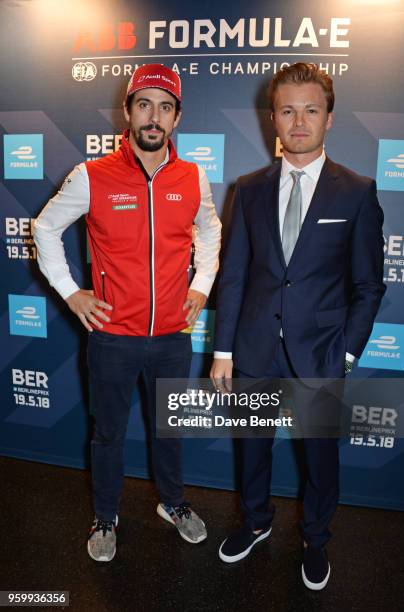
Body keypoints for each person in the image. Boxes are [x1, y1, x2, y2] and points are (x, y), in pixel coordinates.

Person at [34, 63, 221, 562]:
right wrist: (71, 292)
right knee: (109, 433)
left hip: (172, 337)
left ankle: (175, 505)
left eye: (165, 107)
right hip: (112, 336)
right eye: (144, 105)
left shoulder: (193, 177)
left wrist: (201, 284)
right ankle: (105, 517)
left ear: (177, 118)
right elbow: (44, 229)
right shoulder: (91, 176)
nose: (153, 117)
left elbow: (210, 231)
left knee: (169, 428)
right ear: (127, 111)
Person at [210, 63, 385, 590]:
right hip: (255, 348)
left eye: (311, 109)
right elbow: (235, 274)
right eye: (288, 110)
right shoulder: (247, 189)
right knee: (253, 447)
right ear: (273, 120)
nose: (300, 120)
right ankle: (256, 521)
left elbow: (369, 285)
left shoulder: (356, 192)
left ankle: (315, 538)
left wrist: (347, 354)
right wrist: (223, 350)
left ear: (329, 119)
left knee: (320, 458)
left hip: (322, 354)